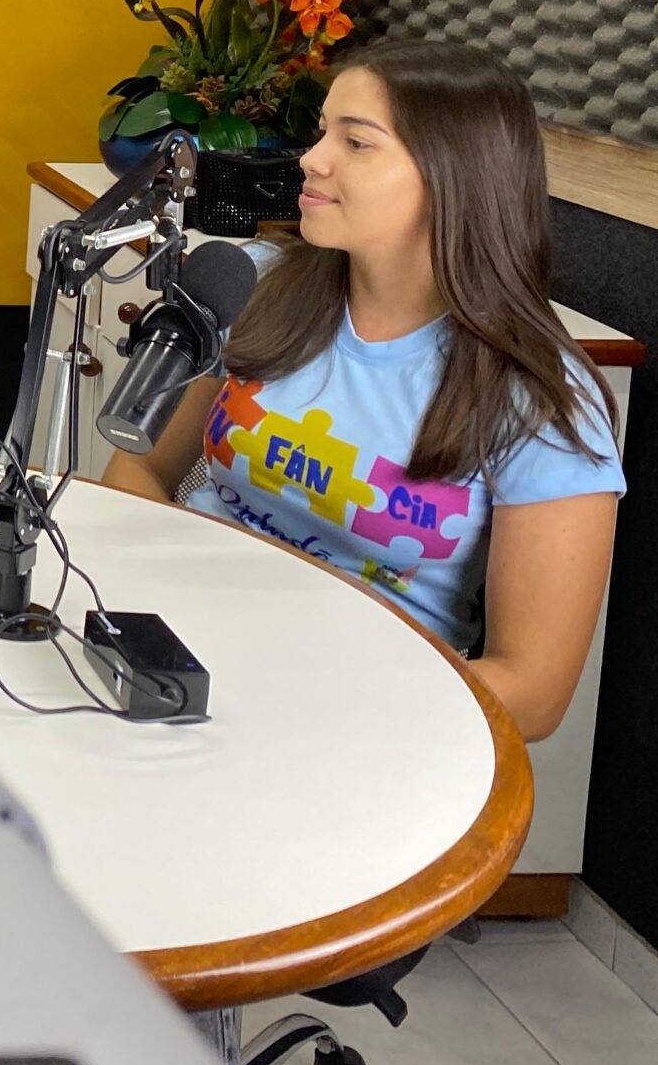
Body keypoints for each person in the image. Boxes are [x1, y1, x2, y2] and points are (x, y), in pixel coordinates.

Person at [103, 39, 624, 741]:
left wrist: (295, 681)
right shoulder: (256, 283)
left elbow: (531, 696)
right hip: (180, 652)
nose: (311, 159)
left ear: (452, 177)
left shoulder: (541, 401)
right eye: (322, 132)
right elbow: (136, 465)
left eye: (356, 142)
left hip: (359, 719)